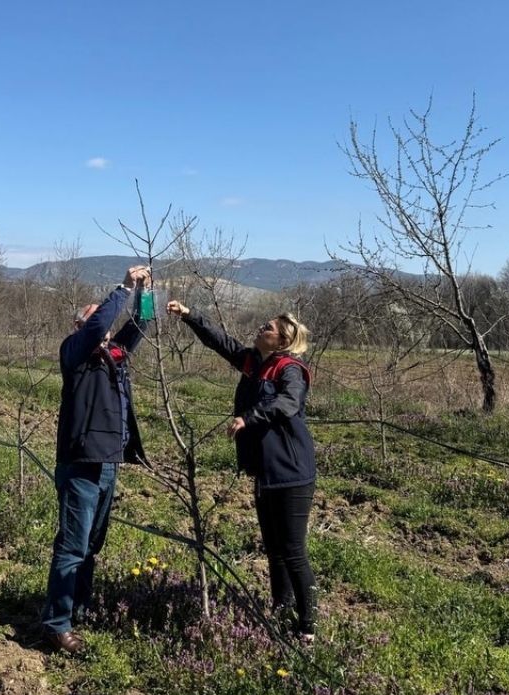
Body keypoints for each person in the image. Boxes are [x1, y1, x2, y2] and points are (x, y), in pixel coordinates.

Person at [166, 300, 318, 641]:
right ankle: (281, 614)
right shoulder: (254, 362)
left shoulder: (290, 369)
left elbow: (289, 402)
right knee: (274, 549)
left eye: (269, 328)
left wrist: (250, 418)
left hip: (292, 472)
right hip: (265, 472)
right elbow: (221, 342)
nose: (261, 329)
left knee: (293, 550)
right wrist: (191, 315)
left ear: (282, 341)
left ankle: (309, 628)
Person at [41, 265, 152, 654]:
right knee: (73, 545)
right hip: (79, 463)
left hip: (107, 462)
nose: (103, 320)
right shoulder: (74, 353)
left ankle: (79, 609)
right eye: (94, 314)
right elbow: (99, 323)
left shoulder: (113, 356)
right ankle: (57, 623)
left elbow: (141, 324)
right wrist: (121, 287)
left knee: (91, 545)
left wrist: (145, 292)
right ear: (78, 325)